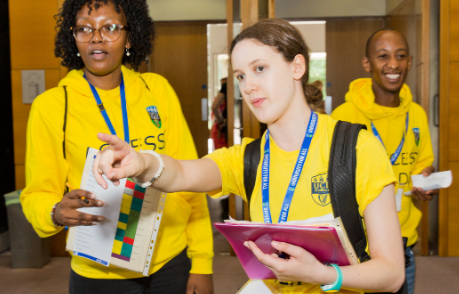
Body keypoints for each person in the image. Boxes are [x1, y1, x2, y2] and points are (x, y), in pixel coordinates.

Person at [93, 18, 405, 294]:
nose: (249, 87)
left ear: (297, 67)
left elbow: (391, 274)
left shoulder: (357, 148)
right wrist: (143, 162)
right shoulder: (249, 158)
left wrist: (320, 274)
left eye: (259, 69)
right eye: (240, 76)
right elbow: (184, 174)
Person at [20, 0, 214, 294]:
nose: (97, 38)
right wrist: (55, 211)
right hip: (99, 273)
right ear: (74, 39)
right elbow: (36, 194)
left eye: (110, 27)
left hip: (170, 263)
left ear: (128, 37)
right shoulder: (52, 106)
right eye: (84, 29)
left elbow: (189, 181)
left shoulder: (158, 91)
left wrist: (202, 263)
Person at [331, 29, 436, 294]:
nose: (393, 64)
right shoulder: (344, 117)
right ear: (367, 64)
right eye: (382, 56)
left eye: (400, 56)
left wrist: (426, 177)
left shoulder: (417, 114)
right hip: (356, 247)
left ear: (410, 62)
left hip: (402, 245)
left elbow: (422, 162)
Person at [211, 77, 228, 150]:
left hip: (221, 127)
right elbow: (214, 107)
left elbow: (214, 107)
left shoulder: (225, 89)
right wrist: (221, 122)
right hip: (222, 128)